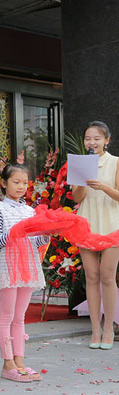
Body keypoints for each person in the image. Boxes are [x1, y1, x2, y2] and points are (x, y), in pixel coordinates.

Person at [0, 164, 48, 382]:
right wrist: (15, 232)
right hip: (9, 266)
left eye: (24, 182)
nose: (21, 186)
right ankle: (7, 363)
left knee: (20, 316)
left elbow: (36, 241)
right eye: (16, 182)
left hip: (28, 265)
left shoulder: (30, 211)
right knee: (6, 315)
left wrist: (46, 234)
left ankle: (20, 360)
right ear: (4, 184)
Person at [72, 121, 119, 350]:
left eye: (97, 138)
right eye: (88, 139)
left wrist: (104, 188)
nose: (92, 142)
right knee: (91, 277)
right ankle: (95, 330)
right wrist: (83, 180)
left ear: (107, 140)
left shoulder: (116, 163)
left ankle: (109, 328)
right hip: (87, 220)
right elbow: (76, 198)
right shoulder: (81, 163)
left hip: (111, 222)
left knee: (107, 276)